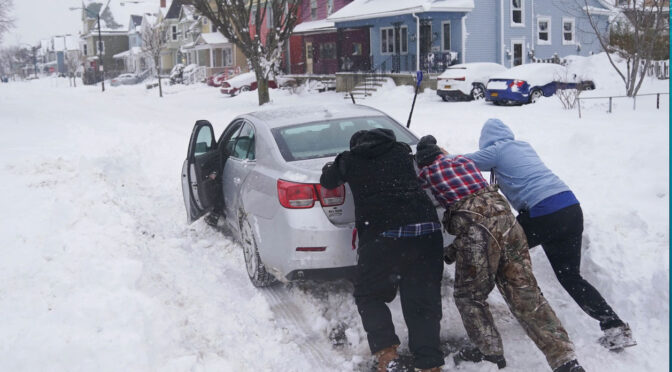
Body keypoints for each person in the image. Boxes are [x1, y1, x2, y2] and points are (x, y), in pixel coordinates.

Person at [415, 135, 584, 372]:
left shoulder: (427, 173)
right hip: (509, 225)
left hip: (479, 233)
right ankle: (565, 359)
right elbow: (486, 220)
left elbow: (475, 227)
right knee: (526, 292)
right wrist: (453, 250)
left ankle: (489, 351)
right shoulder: (464, 162)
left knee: (469, 296)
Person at [465, 118, 635, 351]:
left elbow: (463, 163)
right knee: (570, 276)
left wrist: (437, 155)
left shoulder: (497, 150)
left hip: (543, 211)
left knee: (502, 253)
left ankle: (534, 311)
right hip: (570, 208)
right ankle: (613, 325)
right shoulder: (524, 146)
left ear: (486, 141)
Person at [320, 128, 444, 372]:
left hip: (384, 234)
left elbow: (328, 181)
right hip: (427, 230)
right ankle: (429, 364)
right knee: (422, 300)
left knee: (369, 294)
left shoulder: (348, 159)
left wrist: (330, 167)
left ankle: (387, 353)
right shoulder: (400, 151)